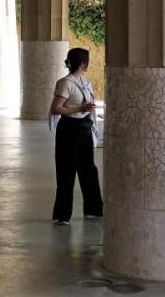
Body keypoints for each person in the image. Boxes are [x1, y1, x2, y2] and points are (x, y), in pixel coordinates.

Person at [49, 48, 103, 225]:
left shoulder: (85, 82)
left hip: (84, 128)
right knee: (67, 171)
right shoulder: (66, 83)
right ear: (82, 63)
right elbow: (56, 108)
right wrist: (79, 109)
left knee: (89, 170)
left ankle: (94, 209)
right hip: (69, 129)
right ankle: (62, 215)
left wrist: (89, 109)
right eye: (87, 61)